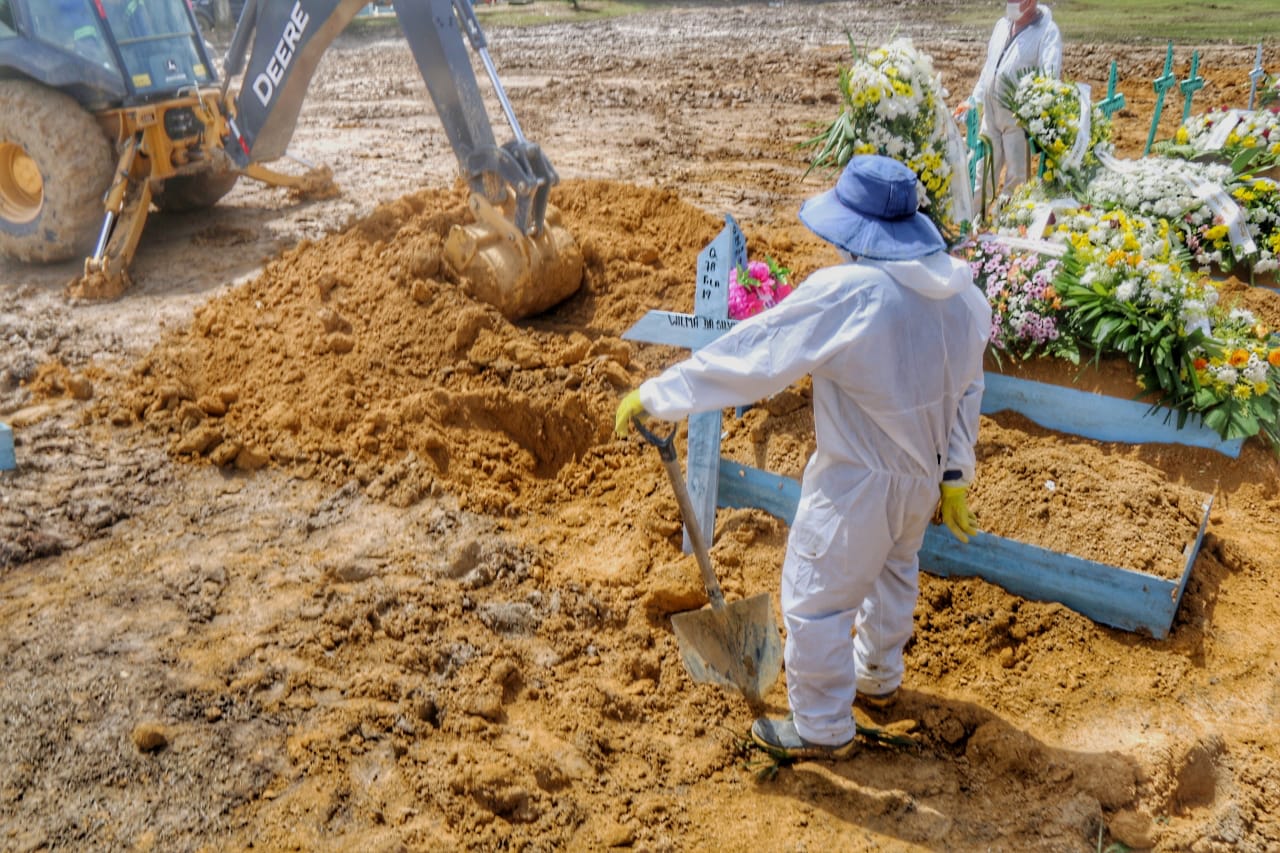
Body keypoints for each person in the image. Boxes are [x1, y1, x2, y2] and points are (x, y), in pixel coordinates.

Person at [614, 155, 991, 760]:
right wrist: (953, 474)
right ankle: (878, 677)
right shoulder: (964, 298)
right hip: (920, 480)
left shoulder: (852, 295)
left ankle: (821, 727)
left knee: (817, 599)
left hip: (857, 484)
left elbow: (757, 355)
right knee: (892, 577)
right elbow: (970, 389)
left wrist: (660, 393)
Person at [961, 0, 1063, 207]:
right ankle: (972, 228)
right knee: (981, 172)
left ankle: (1005, 232)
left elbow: (1049, 77)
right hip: (990, 116)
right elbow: (989, 69)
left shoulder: (1046, 32)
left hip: (1018, 122)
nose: (1011, 3)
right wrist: (974, 100)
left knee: (1016, 181)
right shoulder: (1002, 26)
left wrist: (1034, 111)